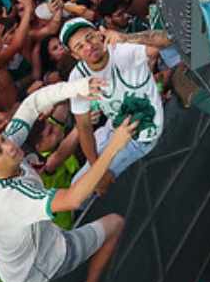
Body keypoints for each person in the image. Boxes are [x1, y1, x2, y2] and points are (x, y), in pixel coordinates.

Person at [0, 78, 136, 282]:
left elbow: (32, 104)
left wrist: (78, 87)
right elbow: (73, 199)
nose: (10, 147)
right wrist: (113, 147)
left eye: (2, 140)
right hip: (42, 265)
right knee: (114, 224)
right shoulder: (12, 199)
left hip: (17, 268)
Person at [62, 18, 165, 182]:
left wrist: (127, 38)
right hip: (112, 128)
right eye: (79, 46)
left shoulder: (122, 49)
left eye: (90, 37)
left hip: (140, 137)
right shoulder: (77, 76)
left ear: (99, 34)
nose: (88, 46)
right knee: (79, 185)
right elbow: (84, 126)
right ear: (75, 55)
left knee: (89, 190)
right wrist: (97, 172)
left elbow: (166, 40)